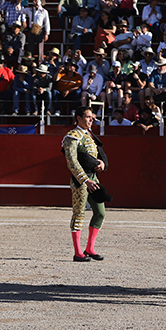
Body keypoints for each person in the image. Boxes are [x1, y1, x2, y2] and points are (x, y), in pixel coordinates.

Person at [63, 106, 108, 262]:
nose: (91, 120)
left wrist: (101, 163)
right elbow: (72, 162)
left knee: (100, 213)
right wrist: (85, 180)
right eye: (88, 117)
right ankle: (77, 253)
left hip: (93, 178)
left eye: (92, 117)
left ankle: (90, 248)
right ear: (79, 118)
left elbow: (93, 156)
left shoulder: (89, 135)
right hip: (80, 181)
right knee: (79, 214)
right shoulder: (72, 136)